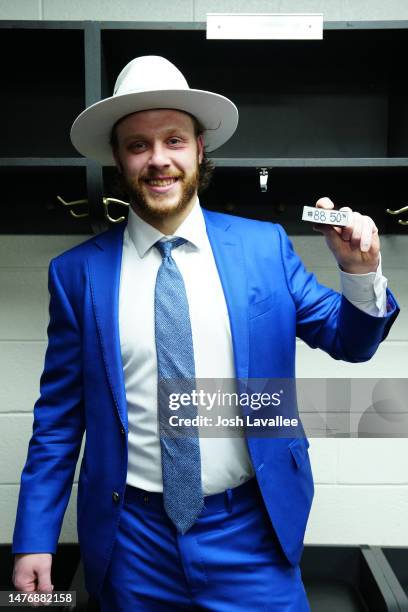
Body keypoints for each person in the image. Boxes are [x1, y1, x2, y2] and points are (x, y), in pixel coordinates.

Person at [12, 55, 399, 611]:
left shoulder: (265, 247)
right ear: (119, 160)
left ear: (199, 150)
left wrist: (360, 273)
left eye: (174, 140)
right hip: (133, 543)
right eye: (138, 145)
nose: (158, 160)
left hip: (252, 534)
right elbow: (58, 421)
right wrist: (33, 539)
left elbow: (352, 342)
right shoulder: (77, 275)